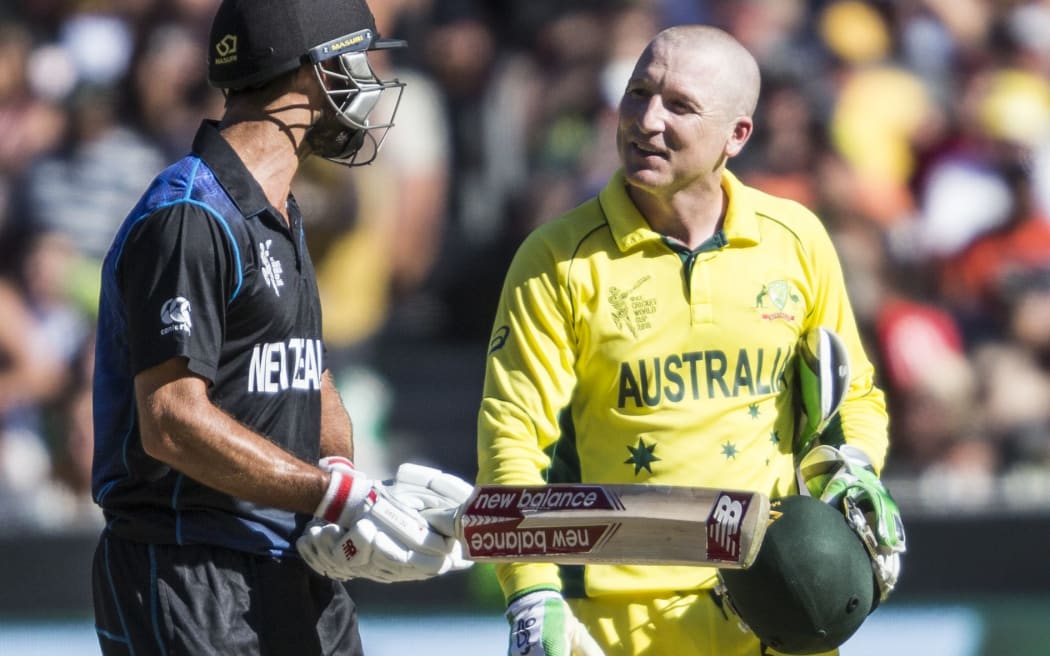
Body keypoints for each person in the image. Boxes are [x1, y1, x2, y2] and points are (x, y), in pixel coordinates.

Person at [476, 25, 904, 656]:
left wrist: (857, 466)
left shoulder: (796, 238)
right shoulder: (555, 258)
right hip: (615, 627)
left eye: (679, 105)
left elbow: (854, 394)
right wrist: (532, 592)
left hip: (776, 614)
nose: (646, 120)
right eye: (637, 93)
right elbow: (512, 438)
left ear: (737, 135)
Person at [90, 1, 471, 655]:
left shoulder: (283, 212)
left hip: (293, 565)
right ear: (308, 75)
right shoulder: (189, 216)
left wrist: (349, 492)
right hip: (186, 569)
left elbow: (309, 376)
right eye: (355, 62)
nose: (368, 86)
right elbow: (172, 420)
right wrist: (333, 494)